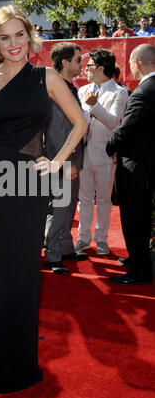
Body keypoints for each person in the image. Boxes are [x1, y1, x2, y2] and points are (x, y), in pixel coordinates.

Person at [0, 4, 87, 394]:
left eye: (19, 35)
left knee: (24, 273)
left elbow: (80, 122)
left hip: (29, 186)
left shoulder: (46, 78)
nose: (13, 43)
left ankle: (17, 360)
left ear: (30, 36)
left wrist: (58, 161)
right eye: (4, 37)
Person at [107, 44, 155, 285]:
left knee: (134, 222)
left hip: (136, 170)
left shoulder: (144, 91)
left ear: (136, 62)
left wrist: (110, 146)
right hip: (146, 168)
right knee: (142, 221)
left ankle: (140, 271)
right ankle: (139, 261)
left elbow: (126, 129)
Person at [74, 49, 128, 255]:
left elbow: (113, 121)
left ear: (101, 68)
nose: (85, 69)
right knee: (84, 199)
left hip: (105, 154)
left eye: (89, 66)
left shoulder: (119, 92)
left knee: (104, 200)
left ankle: (101, 239)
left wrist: (94, 106)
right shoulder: (82, 90)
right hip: (83, 152)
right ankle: (83, 238)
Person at [44, 42, 87, 274]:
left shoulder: (68, 87)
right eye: (78, 60)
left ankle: (65, 247)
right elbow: (61, 130)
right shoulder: (58, 88)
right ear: (64, 62)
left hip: (69, 160)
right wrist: (68, 162)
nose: (82, 65)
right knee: (60, 209)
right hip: (62, 162)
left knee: (68, 208)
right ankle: (52, 255)